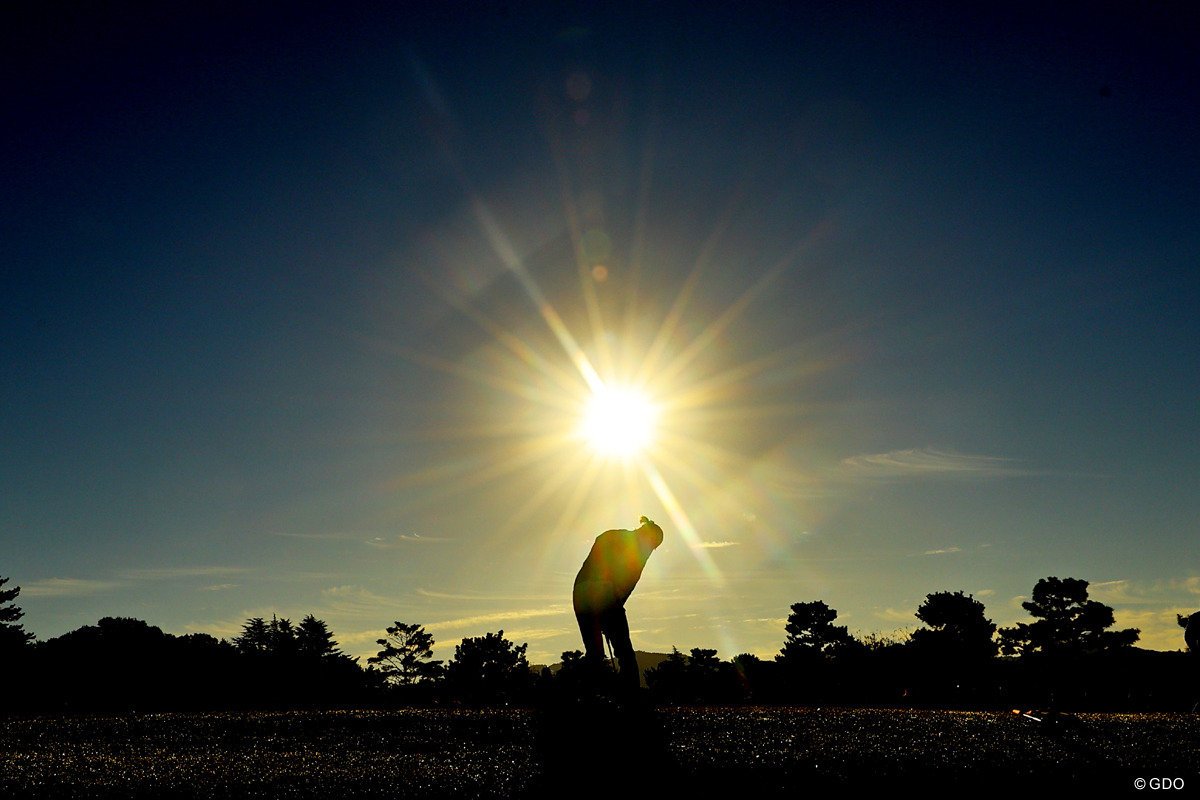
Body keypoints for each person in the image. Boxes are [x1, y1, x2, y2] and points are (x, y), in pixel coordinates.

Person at [573, 516, 664, 690]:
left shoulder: (614, 536)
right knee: (624, 652)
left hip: (580, 592)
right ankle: (630, 697)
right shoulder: (637, 555)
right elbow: (624, 589)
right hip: (600, 592)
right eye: (652, 545)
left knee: (595, 652)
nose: (650, 550)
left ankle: (582, 694)